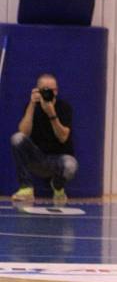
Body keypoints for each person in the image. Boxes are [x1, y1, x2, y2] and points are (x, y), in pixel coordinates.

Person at [10, 73, 78, 202]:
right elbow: (23, 132)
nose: (47, 93)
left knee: (71, 165)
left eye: (51, 90)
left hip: (58, 160)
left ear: (56, 91)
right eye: (44, 90)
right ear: (37, 90)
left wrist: (51, 114)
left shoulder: (64, 107)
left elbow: (63, 137)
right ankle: (26, 188)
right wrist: (32, 104)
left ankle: (58, 187)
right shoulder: (31, 106)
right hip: (36, 157)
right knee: (17, 138)